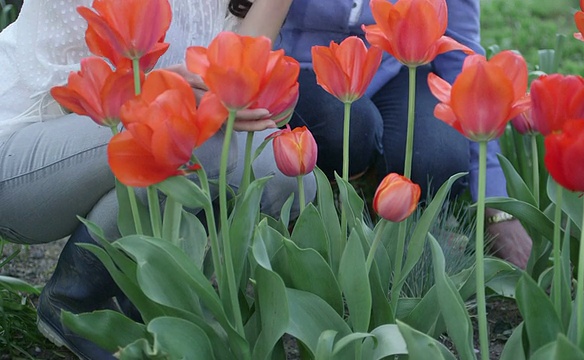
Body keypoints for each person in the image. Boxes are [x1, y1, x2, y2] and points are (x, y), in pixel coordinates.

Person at [0, 0, 311, 358]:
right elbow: (74, 91)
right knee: (193, 138)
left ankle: (145, 294)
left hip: (125, 139)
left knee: (281, 173)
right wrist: (163, 88)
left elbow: (237, 77)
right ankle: (74, 302)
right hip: (22, 152)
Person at [276, 0, 532, 268]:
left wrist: (497, 207)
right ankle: (313, 210)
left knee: (437, 156)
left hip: (395, 67)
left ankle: (390, 211)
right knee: (348, 129)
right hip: (305, 67)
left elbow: (461, 54)